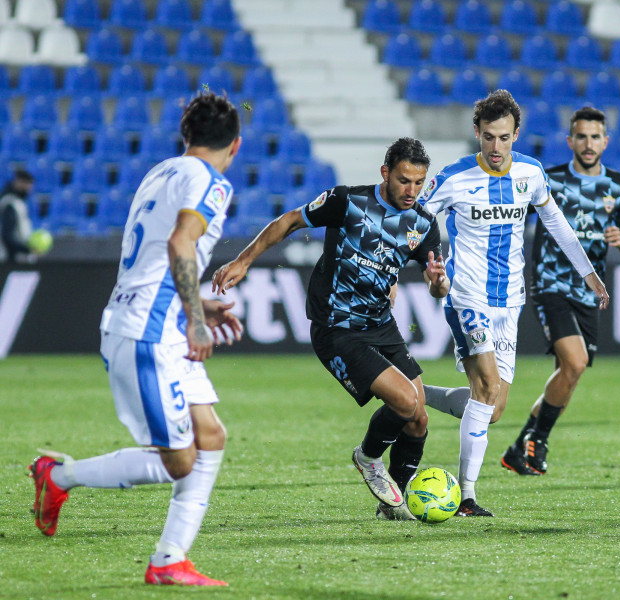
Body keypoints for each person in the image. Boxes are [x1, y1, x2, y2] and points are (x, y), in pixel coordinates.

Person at [28, 92, 245, 585]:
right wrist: (195, 317)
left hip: (149, 318)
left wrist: (194, 306)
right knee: (180, 461)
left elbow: (154, 253)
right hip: (150, 330)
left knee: (210, 435)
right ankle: (56, 476)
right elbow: (180, 242)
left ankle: (170, 561)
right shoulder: (211, 182)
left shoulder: (161, 172)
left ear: (185, 137)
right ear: (234, 146)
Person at [212, 137, 449, 522]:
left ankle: (395, 504)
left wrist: (439, 282)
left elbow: (437, 288)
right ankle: (369, 458)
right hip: (337, 328)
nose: (412, 191)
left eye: (419, 183)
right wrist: (243, 260)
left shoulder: (422, 225)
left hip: (380, 325)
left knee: (419, 419)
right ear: (386, 173)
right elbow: (288, 221)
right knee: (407, 402)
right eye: (405, 180)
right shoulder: (347, 202)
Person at [419, 90, 609, 516]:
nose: (496, 147)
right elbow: (415, 222)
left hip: (511, 302)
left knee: (493, 408)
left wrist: (589, 273)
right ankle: (467, 496)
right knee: (485, 389)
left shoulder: (531, 172)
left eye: (504, 138)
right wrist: (429, 270)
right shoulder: (455, 177)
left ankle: (414, 393)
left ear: (515, 134)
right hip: (467, 295)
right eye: (488, 137)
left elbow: (556, 223)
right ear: (477, 134)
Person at [499, 106, 620, 476]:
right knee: (574, 363)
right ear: (570, 140)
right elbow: (513, 214)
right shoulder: (549, 180)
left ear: (605, 142)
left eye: (595, 137)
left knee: (570, 372)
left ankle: (519, 447)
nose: (588, 143)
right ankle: (540, 441)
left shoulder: (619, 187)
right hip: (550, 283)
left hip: (588, 291)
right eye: (581, 136)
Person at [0, 169, 36, 263]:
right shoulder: (10, 204)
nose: (29, 188)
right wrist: (27, 250)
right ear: (18, 182)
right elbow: (7, 235)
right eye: (27, 184)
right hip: (9, 258)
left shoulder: (18, 203)